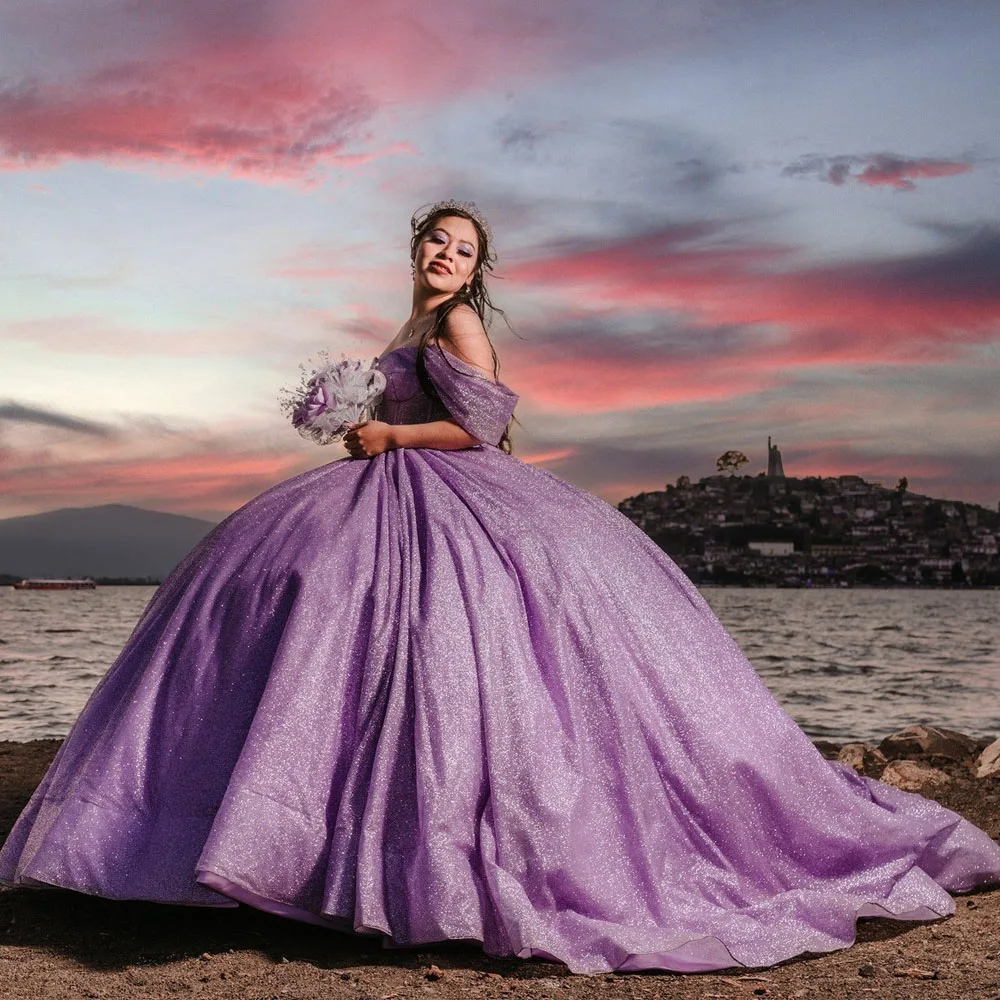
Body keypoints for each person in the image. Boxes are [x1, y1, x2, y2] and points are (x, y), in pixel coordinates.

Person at [1, 200, 998, 977]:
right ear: (415, 251)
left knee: (442, 650)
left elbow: (484, 430)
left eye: (463, 247)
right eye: (436, 240)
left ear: (479, 269)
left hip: (446, 490)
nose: (447, 255)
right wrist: (355, 424)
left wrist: (390, 432)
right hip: (381, 485)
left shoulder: (464, 323)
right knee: (288, 597)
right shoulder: (413, 318)